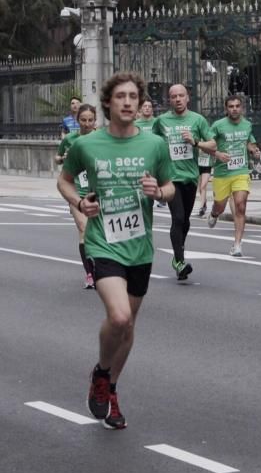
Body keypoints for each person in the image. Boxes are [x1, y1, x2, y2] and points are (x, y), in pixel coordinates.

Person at [57, 71, 175, 430]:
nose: (127, 102)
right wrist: (80, 202)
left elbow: (171, 186)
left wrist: (159, 192)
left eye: (133, 96)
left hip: (139, 246)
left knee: (129, 326)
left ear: (139, 103)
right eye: (120, 96)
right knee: (120, 317)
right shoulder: (87, 145)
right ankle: (101, 373)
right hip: (103, 242)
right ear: (108, 102)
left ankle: (111, 388)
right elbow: (63, 179)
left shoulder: (154, 144)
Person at [152, 83, 216, 280]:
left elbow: (213, 145)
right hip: (170, 178)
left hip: (190, 177)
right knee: (178, 218)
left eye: (181, 95)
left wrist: (195, 142)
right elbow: (151, 144)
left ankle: (178, 252)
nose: (178, 99)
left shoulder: (197, 120)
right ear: (169, 100)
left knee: (185, 221)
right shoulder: (161, 121)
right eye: (173, 96)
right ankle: (179, 262)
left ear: (188, 97)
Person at [206, 94, 260, 256]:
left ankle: (237, 245)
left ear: (242, 108)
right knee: (220, 206)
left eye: (237, 106)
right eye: (231, 106)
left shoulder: (247, 125)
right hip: (222, 173)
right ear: (226, 109)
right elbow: (206, 145)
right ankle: (214, 213)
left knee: (240, 205)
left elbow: (250, 143)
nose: (234, 109)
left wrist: (254, 151)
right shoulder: (218, 125)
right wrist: (217, 154)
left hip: (241, 171)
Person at [55, 103, 100, 289]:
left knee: (98, 233)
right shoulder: (70, 139)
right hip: (77, 192)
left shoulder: (101, 138)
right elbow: (57, 158)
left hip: (98, 190)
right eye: (83, 120)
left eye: (90, 120)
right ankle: (90, 273)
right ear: (77, 120)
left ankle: (101, 266)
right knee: (83, 228)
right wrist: (64, 158)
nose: (87, 124)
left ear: (95, 120)